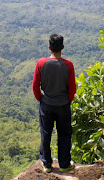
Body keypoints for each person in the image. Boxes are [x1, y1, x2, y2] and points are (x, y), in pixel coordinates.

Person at [32, 33, 76, 173]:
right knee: (64, 134)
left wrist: (41, 99)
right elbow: (72, 87)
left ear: (49, 47)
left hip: (46, 105)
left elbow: (35, 85)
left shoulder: (41, 63)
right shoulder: (68, 65)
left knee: (46, 133)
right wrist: (67, 100)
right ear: (62, 47)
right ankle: (64, 164)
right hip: (63, 105)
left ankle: (46, 164)